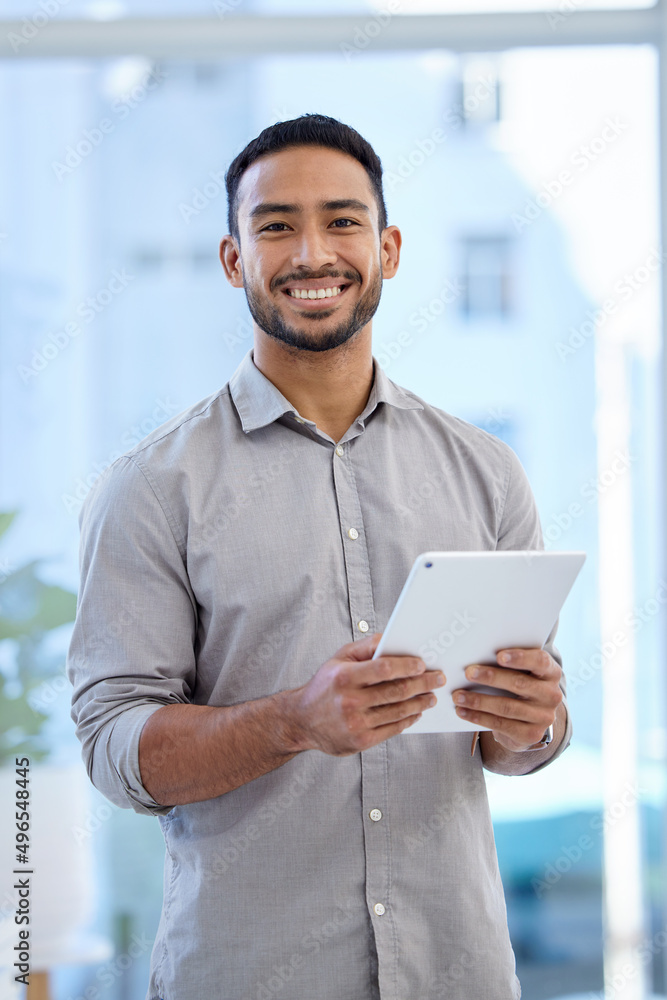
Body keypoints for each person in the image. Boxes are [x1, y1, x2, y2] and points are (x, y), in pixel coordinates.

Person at [67, 113, 571, 1000]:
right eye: (274, 226)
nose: (312, 253)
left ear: (389, 247)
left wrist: (532, 723)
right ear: (234, 260)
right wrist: (293, 720)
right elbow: (115, 749)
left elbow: (519, 742)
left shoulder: (484, 470)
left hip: (458, 973)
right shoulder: (150, 487)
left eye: (341, 221)